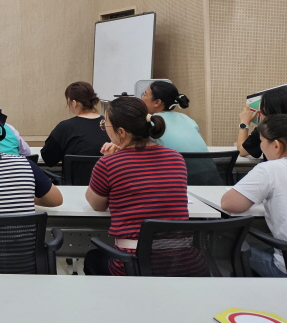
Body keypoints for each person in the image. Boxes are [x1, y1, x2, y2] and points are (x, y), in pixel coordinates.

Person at [84, 96, 189, 276]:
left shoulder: (109, 163)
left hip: (133, 264)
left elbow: (97, 205)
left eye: (105, 124)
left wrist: (108, 160)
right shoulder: (176, 158)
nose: (105, 129)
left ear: (121, 132)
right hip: (181, 261)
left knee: (93, 258)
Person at [222, 115, 287, 278]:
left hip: (283, 270)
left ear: (277, 145)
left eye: (262, 141)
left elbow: (230, 204)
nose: (261, 146)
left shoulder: (270, 169)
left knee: (227, 247)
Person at [141, 80, 222, 185]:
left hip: (180, 182)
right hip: (212, 181)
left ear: (157, 102)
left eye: (144, 94)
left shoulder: (151, 123)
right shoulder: (187, 119)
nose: (141, 98)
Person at [40, 81, 109, 167]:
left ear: (74, 103)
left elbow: (48, 159)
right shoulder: (110, 125)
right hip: (107, 175)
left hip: (75, 176)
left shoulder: (65, 127)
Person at [238, 86, 287, 159]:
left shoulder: (266, 130)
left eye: (262, 105)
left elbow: (241, 151)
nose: (259, 109)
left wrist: (244, 123)